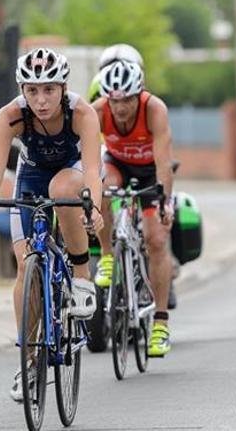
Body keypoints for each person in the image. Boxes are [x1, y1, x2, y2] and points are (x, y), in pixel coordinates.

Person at [0, 48, 104, 402]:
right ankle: (28, 362)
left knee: (62, 188)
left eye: (49, 90)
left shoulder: (83, 113)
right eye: (32, 91)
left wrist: (94, 207)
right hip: (30, 176)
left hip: (74, 173)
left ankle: (80, 274)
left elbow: (92, 169)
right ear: (22, 89)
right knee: (26, 265)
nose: (41, 100)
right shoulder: (10, 116)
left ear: (62, 87)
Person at [91, 59, 176, 357]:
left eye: (128, 99)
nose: (122, 107)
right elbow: (87, 158)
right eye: (116, 100)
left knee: (155, 240)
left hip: (150, 172)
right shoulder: (98, 112)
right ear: (107, 98)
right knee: (100, 185)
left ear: (138, 94)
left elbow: (164, 162)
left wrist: (164, 201)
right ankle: (106, 256)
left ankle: (161, 324)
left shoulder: (154, 109)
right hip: (118, 165)